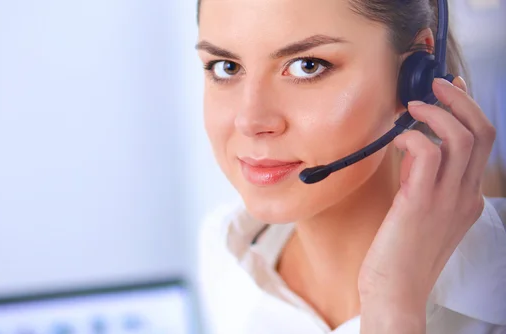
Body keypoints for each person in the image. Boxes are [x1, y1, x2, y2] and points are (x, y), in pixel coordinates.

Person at [194, 0, 506, 333]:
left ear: (414, 74)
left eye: (307, 66)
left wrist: (393, 306)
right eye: (226, 67)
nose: (250, 121)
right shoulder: (227, 254)